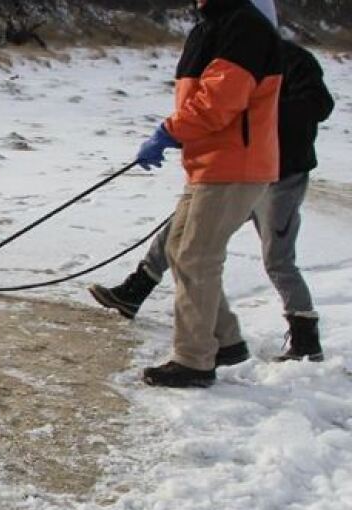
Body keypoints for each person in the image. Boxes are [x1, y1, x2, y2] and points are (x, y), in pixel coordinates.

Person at [89, 37, 334, 367]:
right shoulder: (229, 57)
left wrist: (255, 116)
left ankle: (305, 338)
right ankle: (134, 292)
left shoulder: (292, 59)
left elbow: (319, 105)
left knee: (277, 259)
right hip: (235, 169)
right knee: (181, 228)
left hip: (281, 176)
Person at [117, 0, 283, 388]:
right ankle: (224, 341)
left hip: (234, 165)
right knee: (179, 250)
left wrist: (170, 131)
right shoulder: (214, 24)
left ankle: (194, 360)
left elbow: (219, 101)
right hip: (210, 163)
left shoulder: (244, 26)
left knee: (196, 256)